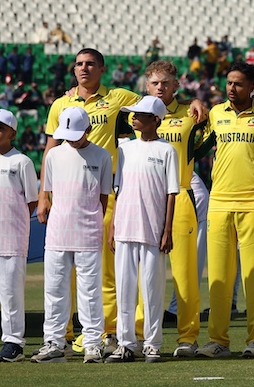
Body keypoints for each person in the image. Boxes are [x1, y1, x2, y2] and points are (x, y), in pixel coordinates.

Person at [39, 49, 143, 353]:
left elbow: (154, 106)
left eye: (90, 64)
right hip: (66, 196)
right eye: (79, 65)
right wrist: (44, 195)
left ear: (102, 69)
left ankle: (106, 332)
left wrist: (195, 102)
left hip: (103, 192)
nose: (84, 69)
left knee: (102, 272)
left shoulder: (118, 97)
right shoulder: (61, 103)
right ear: (74, 70)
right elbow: (50, 147)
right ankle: (63, 336)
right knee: (62, 276)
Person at [197, 64, 254, 359]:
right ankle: (217, 341)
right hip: (219, 202)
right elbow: (197, 141)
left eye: (238, 84)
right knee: (219, 277)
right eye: (229, 83)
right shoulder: (215, 114)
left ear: (251, 88)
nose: (231, 89)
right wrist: (195, 103)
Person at [35, 107, 113, 363]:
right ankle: (54, 342)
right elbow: (50, 193)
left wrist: (91, 220)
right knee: (55, 289)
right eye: (67, 134)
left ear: (89, 130)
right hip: (58, 231)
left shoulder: (102, 156)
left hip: (89, 232)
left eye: (76, 134)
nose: (71, 138)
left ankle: (92, 344)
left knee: (90, 291)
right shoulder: (54, 155)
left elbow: (103, 198)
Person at [143, 62, 208, 357]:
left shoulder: (190, 115)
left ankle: (188, 337)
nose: (160, 88)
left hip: (181, 196)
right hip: (145, 199)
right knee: (145, 272)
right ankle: (141, 335)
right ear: (147, 86)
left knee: (185, 274)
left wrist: (198, 103)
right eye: (155, 83)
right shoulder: (136, 114)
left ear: (176, 86)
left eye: (166, 83)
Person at [109, 96, 180, 364]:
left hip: (153, 230)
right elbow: (119, 190)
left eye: (139, 114)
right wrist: (114, 226)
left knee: (152, 290)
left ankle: (152, 344)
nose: (133, 118)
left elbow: (171, 193)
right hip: (125, 228)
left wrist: (167, 230)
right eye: (133, 114)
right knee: (124, 290)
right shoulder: (125, 149)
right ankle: (126, 344)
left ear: (156, 120)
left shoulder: (167, 150)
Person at [0, 108, 38, 364]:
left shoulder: (22, 162)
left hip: (10, 239)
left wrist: (12, 223)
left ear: (12, 133)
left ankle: (13, 343)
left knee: (10, 293)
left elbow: (31, 202)